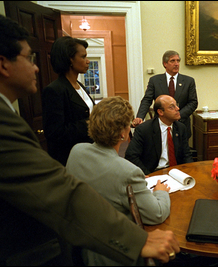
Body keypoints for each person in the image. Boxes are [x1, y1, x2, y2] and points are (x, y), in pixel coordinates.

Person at [0, 12, 179, 266]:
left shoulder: (80, 97)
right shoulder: (2, 116)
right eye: (29, 57)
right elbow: (64, 191)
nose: (36, 66)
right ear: (2, 64)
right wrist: (138, 240)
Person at [66, 96, 171, 265]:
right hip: (114, 253)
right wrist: (160, 193)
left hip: (79, 246)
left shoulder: (76, 151)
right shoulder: (127, 171)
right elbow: (156, 214)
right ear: (123, 133)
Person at [42, 36, 95, 166]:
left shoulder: (80, 86)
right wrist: (91, 122)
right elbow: (55, 133)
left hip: (88, 153)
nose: (88, 61)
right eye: (83, 57)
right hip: (69, 159)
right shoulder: (55, 90)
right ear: (70, 59)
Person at [132, 50, 198, 139]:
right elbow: (147, 100)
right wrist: (140, 117)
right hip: (160, 125)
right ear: (165, 64)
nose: (176, 64)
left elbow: (193, 102)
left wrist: (177, 115)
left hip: (181, 124)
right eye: (172, 61)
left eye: (178, 61)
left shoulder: (188, 81)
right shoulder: (154, 81)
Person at [126, 95, 193, 175]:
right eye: (172, 107)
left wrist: (189, 172)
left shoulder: (181, 128)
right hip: (153, 172)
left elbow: (186, 155)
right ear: (160, 112)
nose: (177, 109)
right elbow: (131, 156)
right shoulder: (144, 129)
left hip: (176, 172)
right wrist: (147, 175)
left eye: (176, 105)